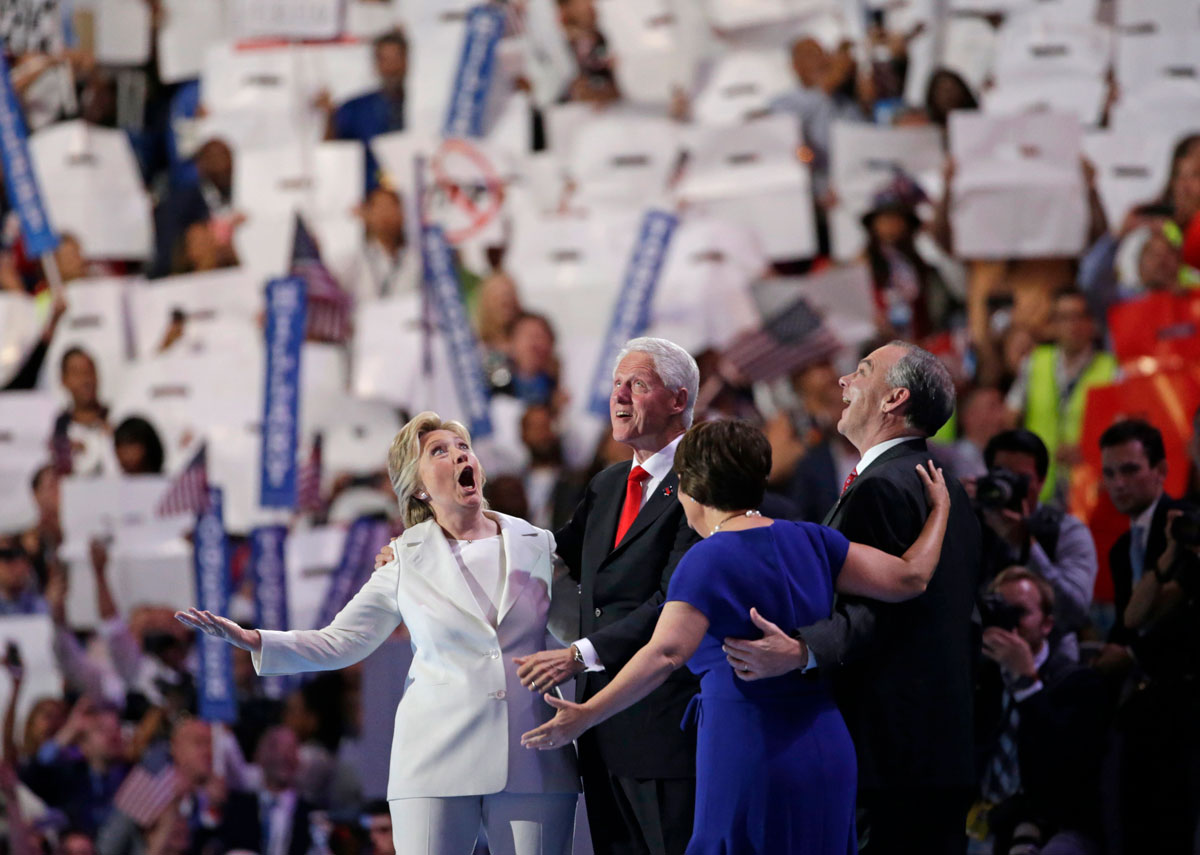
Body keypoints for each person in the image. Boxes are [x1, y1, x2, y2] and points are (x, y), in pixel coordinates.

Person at [522, 418, 952, 854]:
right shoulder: (813, 539)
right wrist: (940, 512)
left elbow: (666, 652)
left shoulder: (706, 559)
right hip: (825, 746)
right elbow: (911, 577)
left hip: (748, 747)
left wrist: (586, 712)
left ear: (689, 486)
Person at [175, 411, 578, 855]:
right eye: (438, 451)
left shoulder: (538, 543)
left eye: (463, 447)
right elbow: (342, 640)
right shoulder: (404, 559)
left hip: (534, 753)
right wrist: (258, 640)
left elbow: (574, 627)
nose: (460, 455)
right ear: (419, 486)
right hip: (434, 759)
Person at [720, 340, 982, 855]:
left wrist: (802, 650)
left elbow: (880, 615)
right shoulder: (942, 483)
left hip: (890, 757)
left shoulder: (882, 487)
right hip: (940, 748)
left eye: (861, 371)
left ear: (893, 399)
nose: (843, 381)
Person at [512, 336, 702, 855]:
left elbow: (673, 601)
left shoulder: (701, 484)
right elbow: (549, 555)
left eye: (637, 385)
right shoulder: (606, 485)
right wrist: (450, 538)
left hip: (667, 728)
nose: (619, 397)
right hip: (599, 729)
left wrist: (582, 653)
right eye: (616, 384)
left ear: (678, 400)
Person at [973, 568, 1108, 855]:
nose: (1010, 624)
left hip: (1050, 823)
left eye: (1019, 612)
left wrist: (1027, 686)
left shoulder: (1078, 683)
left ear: (1047, 624)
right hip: (983, 813)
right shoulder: (982, 678)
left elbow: (1063, 779)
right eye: (1000, 610)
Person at [976, 429, 1099, 661]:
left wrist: (1024, 544)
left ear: (1042, 481)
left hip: (1048, 668)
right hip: (979, 662)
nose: (1008, 487)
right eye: (1001, 475)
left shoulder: (1068, 531)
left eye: (1020, 479)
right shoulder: (970, 522)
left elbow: (1073, 612)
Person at [1006, 289, 1117, 504]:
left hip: (1089, 489)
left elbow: (1120, 430)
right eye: (1064, 318)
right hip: (1039, 487)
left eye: (1079, 316)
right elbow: (1010, 416)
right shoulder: (1034, 362)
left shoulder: (1112, 370)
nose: (1072, 325)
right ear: (1053, 325)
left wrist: (1091, 451)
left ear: (1092, 323)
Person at [1098, 418, 1184, 650]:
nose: (1118, 484)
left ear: (1161, 470)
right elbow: (1123, 626)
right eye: (1109, 473)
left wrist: (1130, 656)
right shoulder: (1121, 549)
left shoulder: (1184, 525)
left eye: (1130, 470)